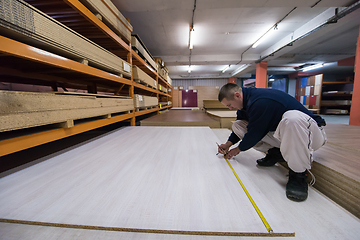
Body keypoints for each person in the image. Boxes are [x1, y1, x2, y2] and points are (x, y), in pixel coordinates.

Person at [217, 83, 326, 201]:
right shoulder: (245, 106)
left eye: (229, 105)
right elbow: (246, 129)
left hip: (310, 136)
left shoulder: (261, 101)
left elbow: (255, 133)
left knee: (292, 118)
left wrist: (237, 150)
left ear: (237, 95)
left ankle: (298, 174)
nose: (230, 108)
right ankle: (276, 152)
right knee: (238, 125)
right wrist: (228, 144)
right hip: (286, 136)